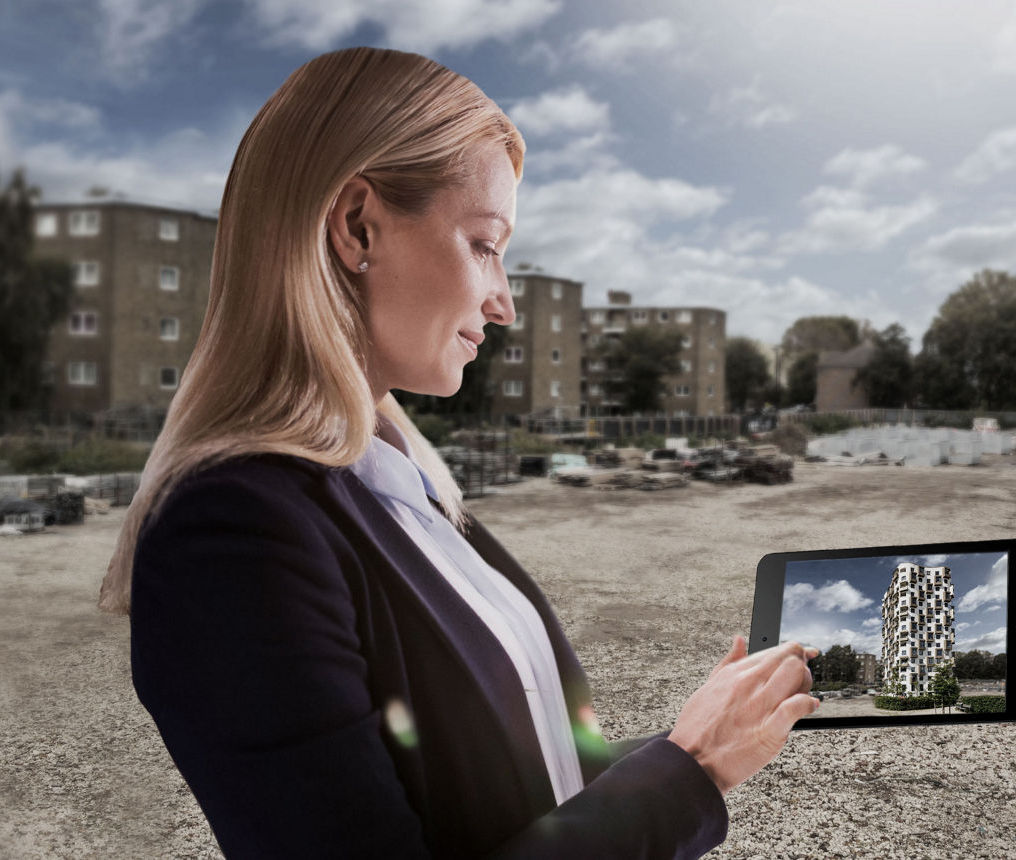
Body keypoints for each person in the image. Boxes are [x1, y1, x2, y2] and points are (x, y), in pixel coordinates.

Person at [99, 46, 821, 859]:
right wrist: (689, 771)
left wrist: (704, 742)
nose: (505, 301)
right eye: (484, 244)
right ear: (356, 225)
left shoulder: (404, 491)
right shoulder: (230, 536)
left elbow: (524, 794)